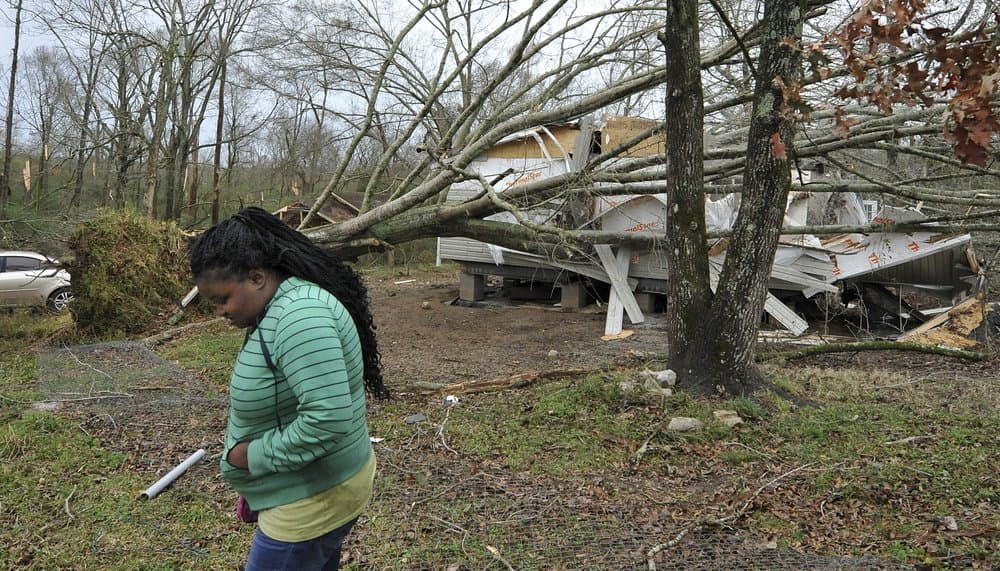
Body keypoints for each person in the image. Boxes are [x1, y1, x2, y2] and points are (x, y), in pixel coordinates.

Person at [189, 206, 389, 571]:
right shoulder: (278, 309)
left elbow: (327, 419)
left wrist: (252, 457)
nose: (219, 312)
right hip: (309, 488)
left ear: (257, 277)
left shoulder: (301, 318)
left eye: (223, 299)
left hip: (313, 500)